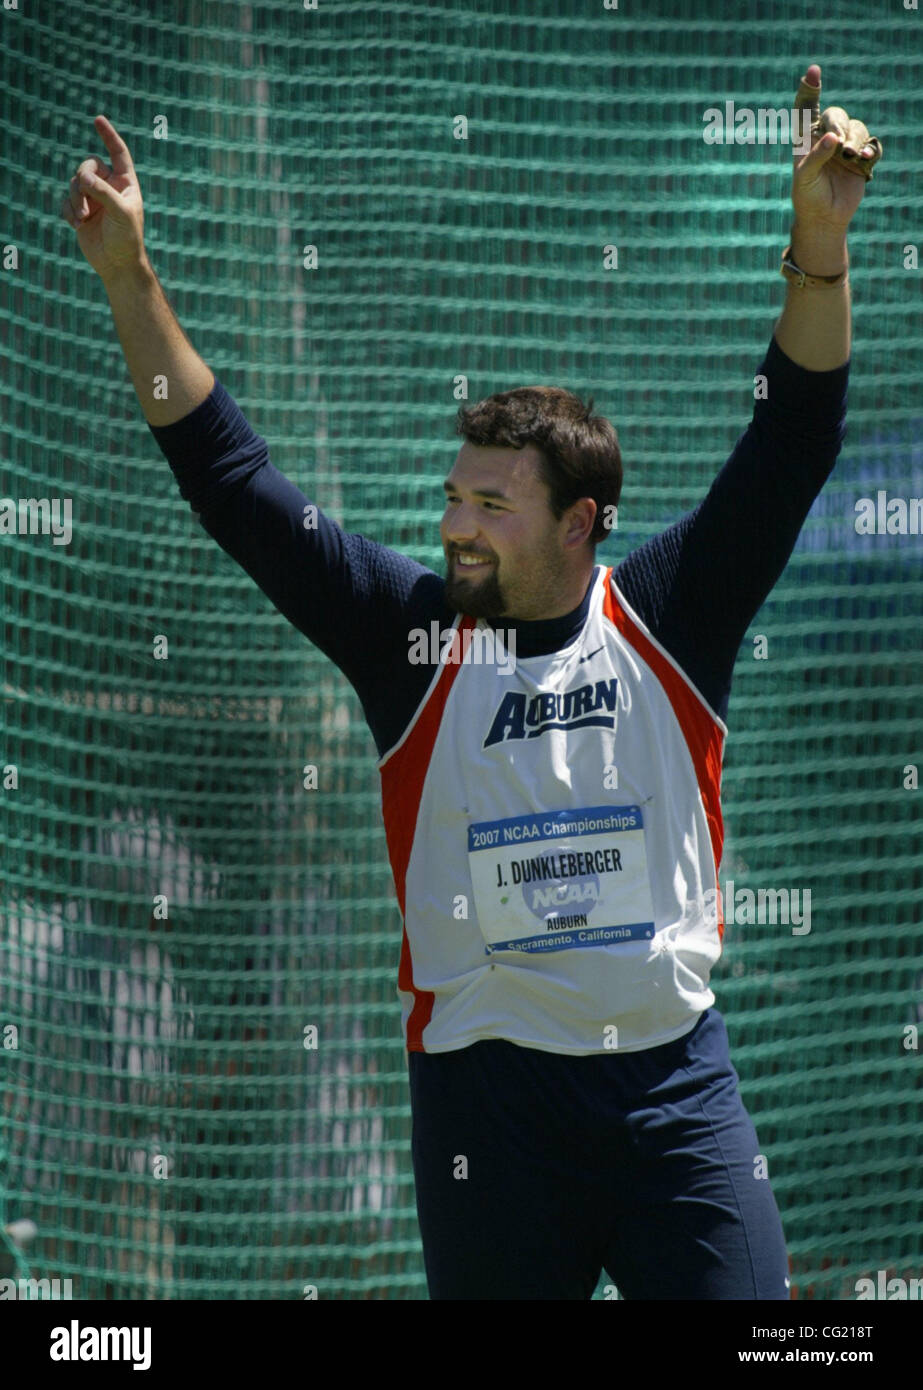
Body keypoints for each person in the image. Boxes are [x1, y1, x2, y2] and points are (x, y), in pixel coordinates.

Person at [61, 63, 870, 1300]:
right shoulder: (408, 635)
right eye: (453, 496)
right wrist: (129, 275)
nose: (457, 525)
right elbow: (234, 482)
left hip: (671, 1089)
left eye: (492, 503)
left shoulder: (668, 613)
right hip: (486, 1109)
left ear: (582, 523)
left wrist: (816, 244)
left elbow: (793, 438)